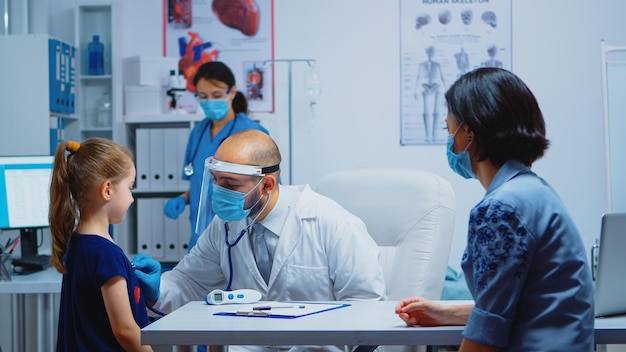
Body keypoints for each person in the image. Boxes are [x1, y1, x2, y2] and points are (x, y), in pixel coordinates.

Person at [395, 68, 594, 351]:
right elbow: (521, 304)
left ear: (469, 133)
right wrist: (444, 313)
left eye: (448, 129)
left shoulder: (501, 209)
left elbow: (487, 335)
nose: (449, 139)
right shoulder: (535, 193)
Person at [134, 130, 386, 352]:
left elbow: (366, 308)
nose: (218, 191)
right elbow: (189, 282)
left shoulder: (332, 223)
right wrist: (157, 290)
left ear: (267, 184)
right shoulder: (224, 226)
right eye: (216, 181)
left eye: (230, 183)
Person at [50, 138, 153, 352]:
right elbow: (125, 330)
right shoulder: (106, 254)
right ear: (107, 190)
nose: (132, 198)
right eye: (129, 187)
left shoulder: (78, 243)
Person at [163, 61, 269, 250]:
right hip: (200, 235)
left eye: (217, 95)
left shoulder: (252, 132)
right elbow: (199, 182)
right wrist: (183, 198)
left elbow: (269, 189)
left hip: (240, 235)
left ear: (232, 92)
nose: (210, 101)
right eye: (203, 96)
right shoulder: (198, 132)